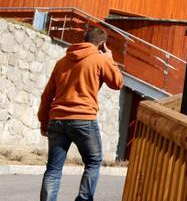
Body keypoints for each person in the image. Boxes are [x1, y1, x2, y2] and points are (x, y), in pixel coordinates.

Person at [37, 26, 124, 201]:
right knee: (93, 162)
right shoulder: (100, 59)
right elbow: (117, 83)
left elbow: (47, 95)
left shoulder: (62, 62)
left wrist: (43, 121)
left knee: (53, 169)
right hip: (83, 119)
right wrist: (110, 59)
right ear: (101, 45)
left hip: (57, 120)